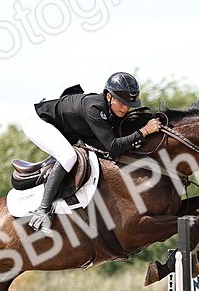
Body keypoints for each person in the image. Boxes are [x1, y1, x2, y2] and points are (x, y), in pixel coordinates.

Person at [23, 71, 163, 232]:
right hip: (37, 121)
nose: (125, 108)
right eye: (122, 103)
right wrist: (144, 131)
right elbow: (113, 147)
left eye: (129, 105)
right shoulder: (94, 108)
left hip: (64, 126)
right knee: (68, 156)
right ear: (109, 96)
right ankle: (42, 211)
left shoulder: (111, 109)